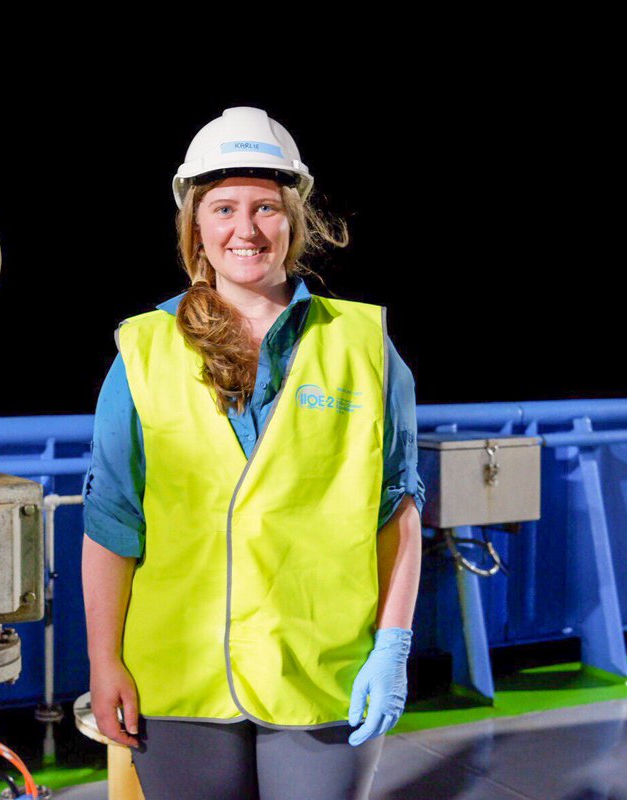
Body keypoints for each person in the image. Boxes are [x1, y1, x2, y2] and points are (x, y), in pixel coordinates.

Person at [81, 106, 424, 800]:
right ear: (196, 227)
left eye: (266, 207)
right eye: (224, 208)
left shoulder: (362, 348)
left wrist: (391, 648)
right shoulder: (142, 352)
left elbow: (400, 508)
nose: (246, 229)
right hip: (179, 678)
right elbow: (111, 522)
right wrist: (104, 660)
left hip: (322, 671)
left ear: (294, 222)